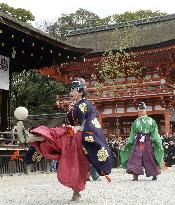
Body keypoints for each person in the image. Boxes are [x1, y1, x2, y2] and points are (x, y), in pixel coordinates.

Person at [15, 78, 112, 201]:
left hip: (78, 137)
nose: (71, 91)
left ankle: (76, 193)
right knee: (52, 137)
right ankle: (30, 137)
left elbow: (90, 123)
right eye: (71, 89)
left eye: (73, 89)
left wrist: (77, 129)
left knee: (76, 164)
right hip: (69, 134)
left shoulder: (85, 105)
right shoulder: (73, 105)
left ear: (81, 91)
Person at [120, 102, 164, 181]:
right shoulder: (136, 121)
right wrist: (129, 142)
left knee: (149, 157)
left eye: (142, 110)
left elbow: (155, 132)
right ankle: (135, 175)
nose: (141, 111)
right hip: (138, 141)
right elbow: (132, 134)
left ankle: (154, 174)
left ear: (146, 110)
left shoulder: (151, 121)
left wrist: (157, 141)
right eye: (139, 110)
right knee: (135, 157)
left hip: (147, 141)